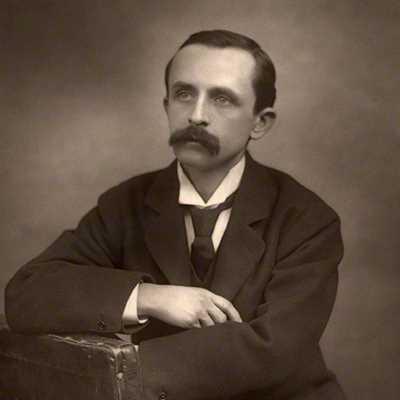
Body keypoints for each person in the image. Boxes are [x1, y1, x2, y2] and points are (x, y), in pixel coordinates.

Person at [5, 30, 346, 399]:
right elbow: (28, 293)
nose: (196, 116)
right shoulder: (126, 204)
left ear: (259, 122)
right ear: (166, 105)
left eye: (222, 99)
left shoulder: (306, 218)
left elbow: (275, 348)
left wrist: (127, 372)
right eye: (184, 94)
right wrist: (148, 296)